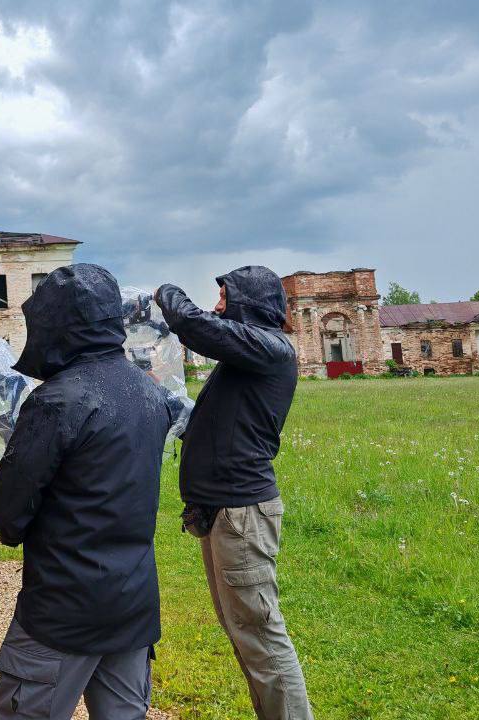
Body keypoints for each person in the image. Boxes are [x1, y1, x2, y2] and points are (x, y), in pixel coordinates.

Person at [0, 264, 174, 720]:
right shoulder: (150, 394)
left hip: (63, 610)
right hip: (132, 603)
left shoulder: (56, 400)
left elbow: (8, 517)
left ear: (56, 323)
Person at [155, 267, 313, 720]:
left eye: (225, 297)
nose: (218, 306)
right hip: (225, 512)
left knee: (261, 637)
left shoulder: (271, 347)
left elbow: (194, 324)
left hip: (242, 514)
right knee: (243, 630)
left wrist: (164, 292)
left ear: (251, 302)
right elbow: (223, 423)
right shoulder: (249, 357)